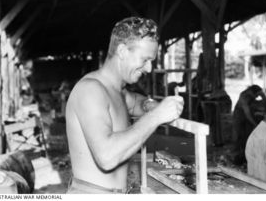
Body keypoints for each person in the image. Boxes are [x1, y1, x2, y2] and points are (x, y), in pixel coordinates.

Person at [65, 17, 184, 194]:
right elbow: (106, 157)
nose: (149, 68)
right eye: (145, 59)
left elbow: (137, 102)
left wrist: (152, 106)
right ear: (122, 51)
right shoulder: (90, 90)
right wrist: (156, 116)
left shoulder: (117, 91)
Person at [231, 85, 266, 165]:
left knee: (246, 135)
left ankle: (246, 156)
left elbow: (263, 98)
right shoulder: (244, 96)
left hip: (248, 115)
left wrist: (264, 99)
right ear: (253, 92)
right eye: (257, 95)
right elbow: (247, 113)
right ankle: (236, 156)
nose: (258, 96)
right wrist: (254, 124)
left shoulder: (252, 95)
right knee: (237, 136)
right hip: (239, 115)